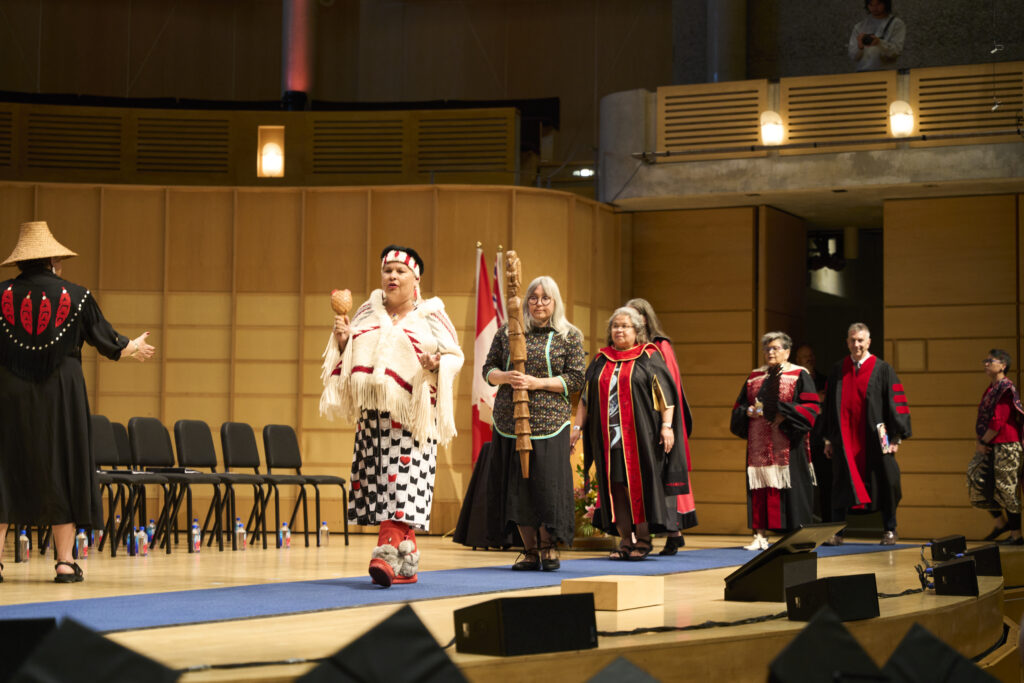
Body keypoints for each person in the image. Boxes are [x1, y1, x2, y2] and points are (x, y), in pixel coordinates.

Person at [0, 221, 155, 583]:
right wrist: (132, 347)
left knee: (4, 468)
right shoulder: (77, 296)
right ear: (53, 258)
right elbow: (107, 340)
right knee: (61, 466)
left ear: (22, 261)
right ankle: (65, 563)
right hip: (61, 394)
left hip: (7, 393)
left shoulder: (1, 294)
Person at [320, 245, 463, 587]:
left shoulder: (432, 315)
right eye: (388, 271)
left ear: (417, 279)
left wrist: (437, 363)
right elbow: (345, 355)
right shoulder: (367, 312)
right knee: (380, 485)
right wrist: (342, 340)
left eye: (400, 271)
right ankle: (406, 559)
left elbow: (455, 355)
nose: (393, 277)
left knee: (403, 485)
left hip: (413, 418)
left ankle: (385, 553)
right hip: (373, 419)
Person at [483, 276, 585, 571]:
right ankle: (529, 550)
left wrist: (535, 382)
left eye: (545, 298)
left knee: (547, 487)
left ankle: (548, 546)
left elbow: (576, 378)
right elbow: (487, 369)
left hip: (550, 423)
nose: (539, 303)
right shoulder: (507, 332)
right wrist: (505, 377)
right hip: (510, 421)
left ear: (555, 302)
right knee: (519, 486)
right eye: (533, 297)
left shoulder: (569, 336)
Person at [571, 307, 689, 560]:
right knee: (615, 488)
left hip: (640, 438)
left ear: (637, 331)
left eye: (625, 326)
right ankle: (625, 540)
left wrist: (667, 427)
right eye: (615, 326)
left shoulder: (648, 356)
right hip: (607, 438)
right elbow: (585, 399)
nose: (619, 330)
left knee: (640, 485)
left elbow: (666, 397)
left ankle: (644, 540)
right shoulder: (601, 359)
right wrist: (577, 428)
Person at [820, 323, 911, 545]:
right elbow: (830, 407)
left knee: (886, 481)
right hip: (844, 439)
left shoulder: (882, 369)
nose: (856, 344)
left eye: (860, 340)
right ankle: (838, 532)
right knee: (840, 483)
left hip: (876, 439)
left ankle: (890, 529)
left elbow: (896, 402)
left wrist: (896, 437)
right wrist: (828, 438)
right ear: (847, 342)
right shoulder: (837, 369)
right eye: (852, 340)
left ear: (868, 342)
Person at [730, 332, 820, 551]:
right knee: (759, 488)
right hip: (759, 444)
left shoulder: (799, 374)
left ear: (787, 351)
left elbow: (811, 408)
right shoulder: (754, 377)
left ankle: (797, 536)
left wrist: (785, 414)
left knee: (793, 490)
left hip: (789, 441)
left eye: (775, 348)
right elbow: (739, 407)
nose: (770, 352)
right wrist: (747, 411)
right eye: (767, 349)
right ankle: (759, 535)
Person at [626, 297, 696, 555]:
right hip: (636, 423)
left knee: (664, 477)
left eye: (633, 316)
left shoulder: (659, 346)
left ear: (644, 319)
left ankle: (673, 531)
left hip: (659, 421)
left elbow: (670, 386)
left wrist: (665, 424)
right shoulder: (629, 349)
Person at [968, 349, 1024, 545]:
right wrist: (980, 442)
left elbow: (998, 421)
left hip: (1006, 445)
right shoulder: (991, 389)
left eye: (990, 361)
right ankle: (1002, 524)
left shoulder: (1006, 389)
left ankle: (1016, 535)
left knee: (1007, 490)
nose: (986, 364)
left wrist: (983, 442)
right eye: (985, 360)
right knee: (977, 481)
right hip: (990, 444)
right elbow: (983, 418)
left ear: (1003, 366)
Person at [795, 344, 831, 522]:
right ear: (797, 360)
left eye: (810, 356)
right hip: (799, 441)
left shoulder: (825, 380)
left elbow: (830, 408)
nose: (808, 359)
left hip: (820, 440)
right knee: (803, 486)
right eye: (804, 357)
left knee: (825, 485)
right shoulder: (793, 381)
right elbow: (794, 407)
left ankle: (828, 524)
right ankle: (804, 523)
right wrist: (817, 401)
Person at [848, 0, 906, 72]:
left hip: (886, 71)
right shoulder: (860, 26)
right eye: (871, 5)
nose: (874, 8)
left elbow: (896, 51)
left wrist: (879, 43)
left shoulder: (896, 24)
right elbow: (853, 56)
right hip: (862, 71)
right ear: (867, 6)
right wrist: (860, 47)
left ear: (885, 4)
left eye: (878, 4)